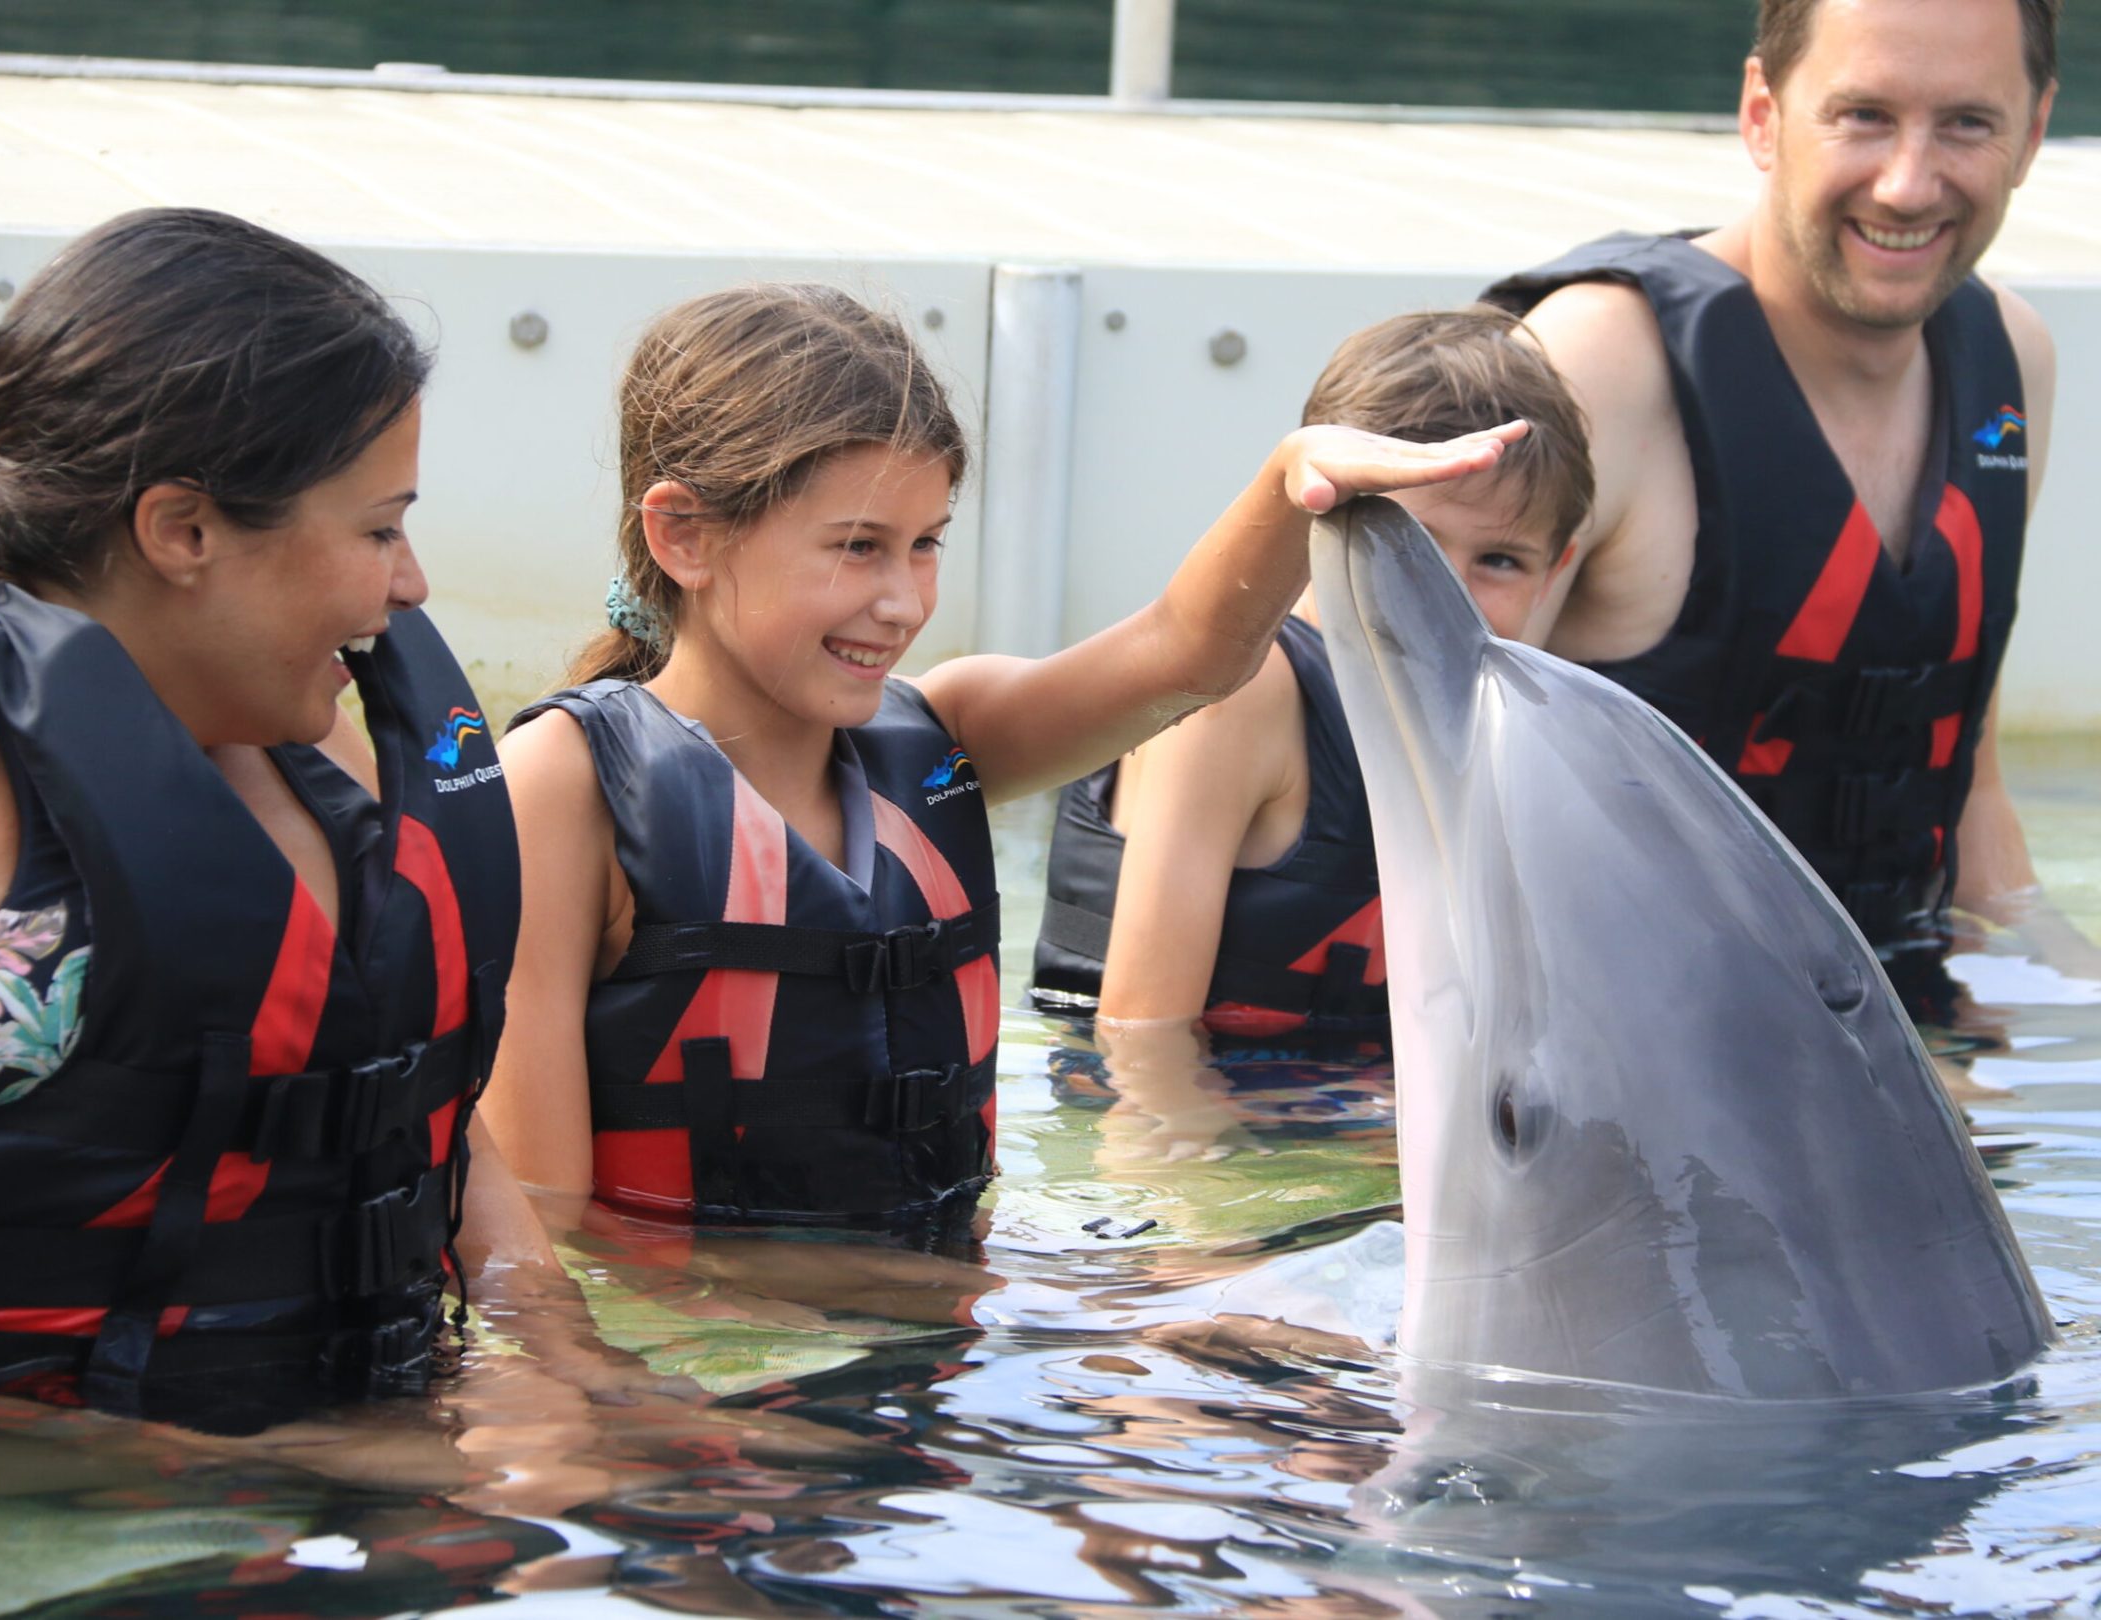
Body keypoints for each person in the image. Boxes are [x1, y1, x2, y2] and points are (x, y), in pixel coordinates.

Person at [481, 283, 1524, 1231]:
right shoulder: (567, 787)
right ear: (686, 537)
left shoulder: (949, 736)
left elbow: (1186, 656)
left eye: (925, 542)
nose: (902, 602)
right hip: (709, 1383)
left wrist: (1294, 484)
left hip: (937, 1351)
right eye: (857, 546)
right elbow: (538, 1229)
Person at [0, 208, 543, 1431]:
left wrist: (571, 1374)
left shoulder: (317, 745)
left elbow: (401, 1095)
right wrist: (260, 1477)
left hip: (338, 1470)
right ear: (184, 529)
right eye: (379, 528)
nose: (414, 583)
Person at [1482, 0, 2089, 1002]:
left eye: (1969, 124)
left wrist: (2066, 1010)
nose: (1907, 183)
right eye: (1863, 116)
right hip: (1621, 1036)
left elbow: (1967, 777)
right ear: (1762, 113)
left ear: (2031, 135)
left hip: (1883, 1015)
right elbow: (1414, 774)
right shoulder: (1603, 364)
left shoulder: (2010, 360)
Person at [1031, 309, 1592, 1044]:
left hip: (1339, 1114)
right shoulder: (1243, 697)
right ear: (1318, 521)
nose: (1446, 593)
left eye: (1500, 561)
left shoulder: (1507, 735)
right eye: (1408, 545)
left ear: (1557, 573)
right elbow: (1142, 1045)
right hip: (1172, 1111)